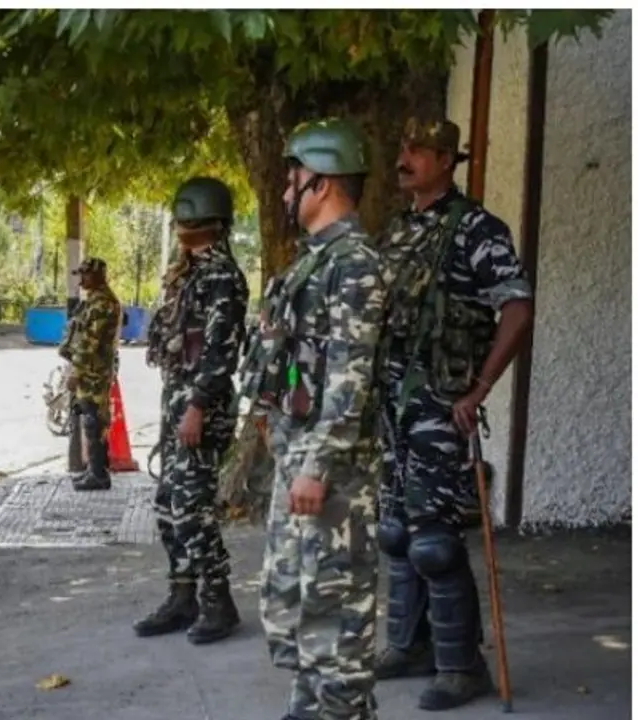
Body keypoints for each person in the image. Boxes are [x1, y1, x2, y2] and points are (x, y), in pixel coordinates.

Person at [372, 118, 534, 711]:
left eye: (419, 149)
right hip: (393, 406)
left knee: (434, 539)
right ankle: (409, 645)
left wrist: (480, 388)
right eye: (403, 146)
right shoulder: (398, 231)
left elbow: (517, 309)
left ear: (447, 160)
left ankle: (462, 667)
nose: (405, 157)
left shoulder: (477, 230)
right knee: (397, 531)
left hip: (440, 405)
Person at [251, 119, 387, 720]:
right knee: (296, 608)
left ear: (322, 183)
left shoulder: (354, 265)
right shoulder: (315, 261)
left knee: (336, 617)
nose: (286, 191)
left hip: (331, 475)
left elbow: (349, 379)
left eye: (293, 179)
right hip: (299, 459)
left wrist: (318, 465)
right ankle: (308, 709)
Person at [135, 177, 249, 644]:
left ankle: (218, 602)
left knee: (191, 506)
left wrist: (198, 406)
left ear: (209, 222)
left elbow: (221, 350)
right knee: (168, 504)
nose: (180, 225)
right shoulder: (187, 273)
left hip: (202, 405)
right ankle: (182, 596)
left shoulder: (222, 276)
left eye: (187, 217)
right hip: (179, 400)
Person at [57, 257, 122, 492]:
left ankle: (99, 474)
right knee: (91, 419)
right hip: (91, 370)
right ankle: (95, 470)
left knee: (95, 421)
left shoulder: (103, 304)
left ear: (98, 276)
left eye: (86, 274)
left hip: (95, 372)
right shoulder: (94, 301)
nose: (82, 279)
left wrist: (76, 372)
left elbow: (89, 343)